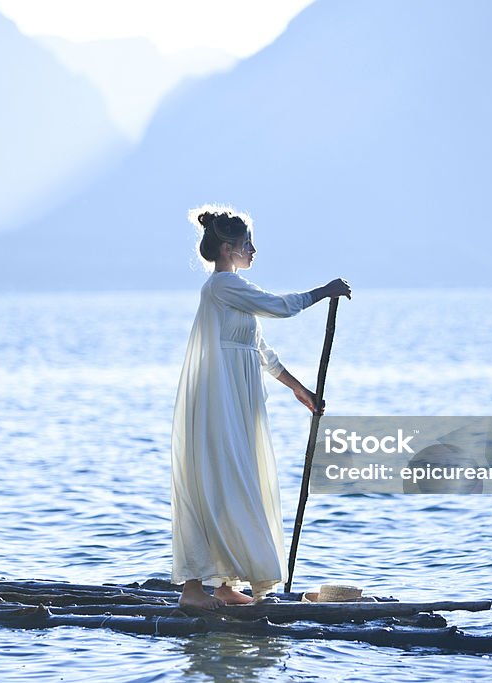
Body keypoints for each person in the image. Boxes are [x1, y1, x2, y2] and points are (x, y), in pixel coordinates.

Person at [171, 205, 352, 609]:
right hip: (221, 400)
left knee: (240, 481)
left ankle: (224, 584)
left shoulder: (235, 291)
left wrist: (298, 389)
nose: (254, 250)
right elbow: (280, 305)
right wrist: (324, 291)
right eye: (248, 243)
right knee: (223, 481)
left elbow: (261, 350)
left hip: (240, 398)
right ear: (229, 248)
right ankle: (193, 590)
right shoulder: (222, 286)